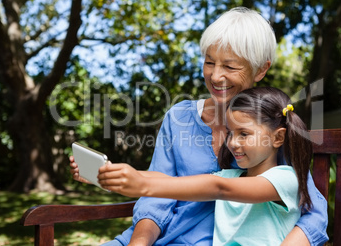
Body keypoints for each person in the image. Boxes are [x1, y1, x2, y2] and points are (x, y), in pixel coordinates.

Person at [70, 7, 328, 245]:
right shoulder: (179, 117)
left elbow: (312, 212)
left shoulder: (270, 127)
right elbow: (160, 190)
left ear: (260, 70)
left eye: (229, 66)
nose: (215, 76)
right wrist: (111, 176)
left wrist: (140, 183)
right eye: (209, 62)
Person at [98, 86, 313, 245]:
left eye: (244, 134)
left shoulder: (286, 179)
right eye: (231, 133)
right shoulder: (232, 176)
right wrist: (114, 173)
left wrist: (142, 186)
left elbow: (217, 188)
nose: (232, 143)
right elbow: (174, 182)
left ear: (278, 138)